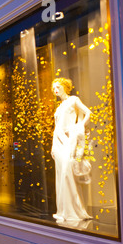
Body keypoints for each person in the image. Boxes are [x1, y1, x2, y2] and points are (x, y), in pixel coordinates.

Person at [51, 78, 92, 223]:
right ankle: (62, 211)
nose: (56, 89)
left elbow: (88, 113)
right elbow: (56, 127)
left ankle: (74, 211)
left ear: (65, 87)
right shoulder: (59, 107)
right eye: (54, 88)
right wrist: (52, 146)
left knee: (67, 172)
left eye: (58, 86)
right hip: (58, 140)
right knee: (60, 175)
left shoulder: (73, 100)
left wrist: (77, 127)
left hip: (68, 140)